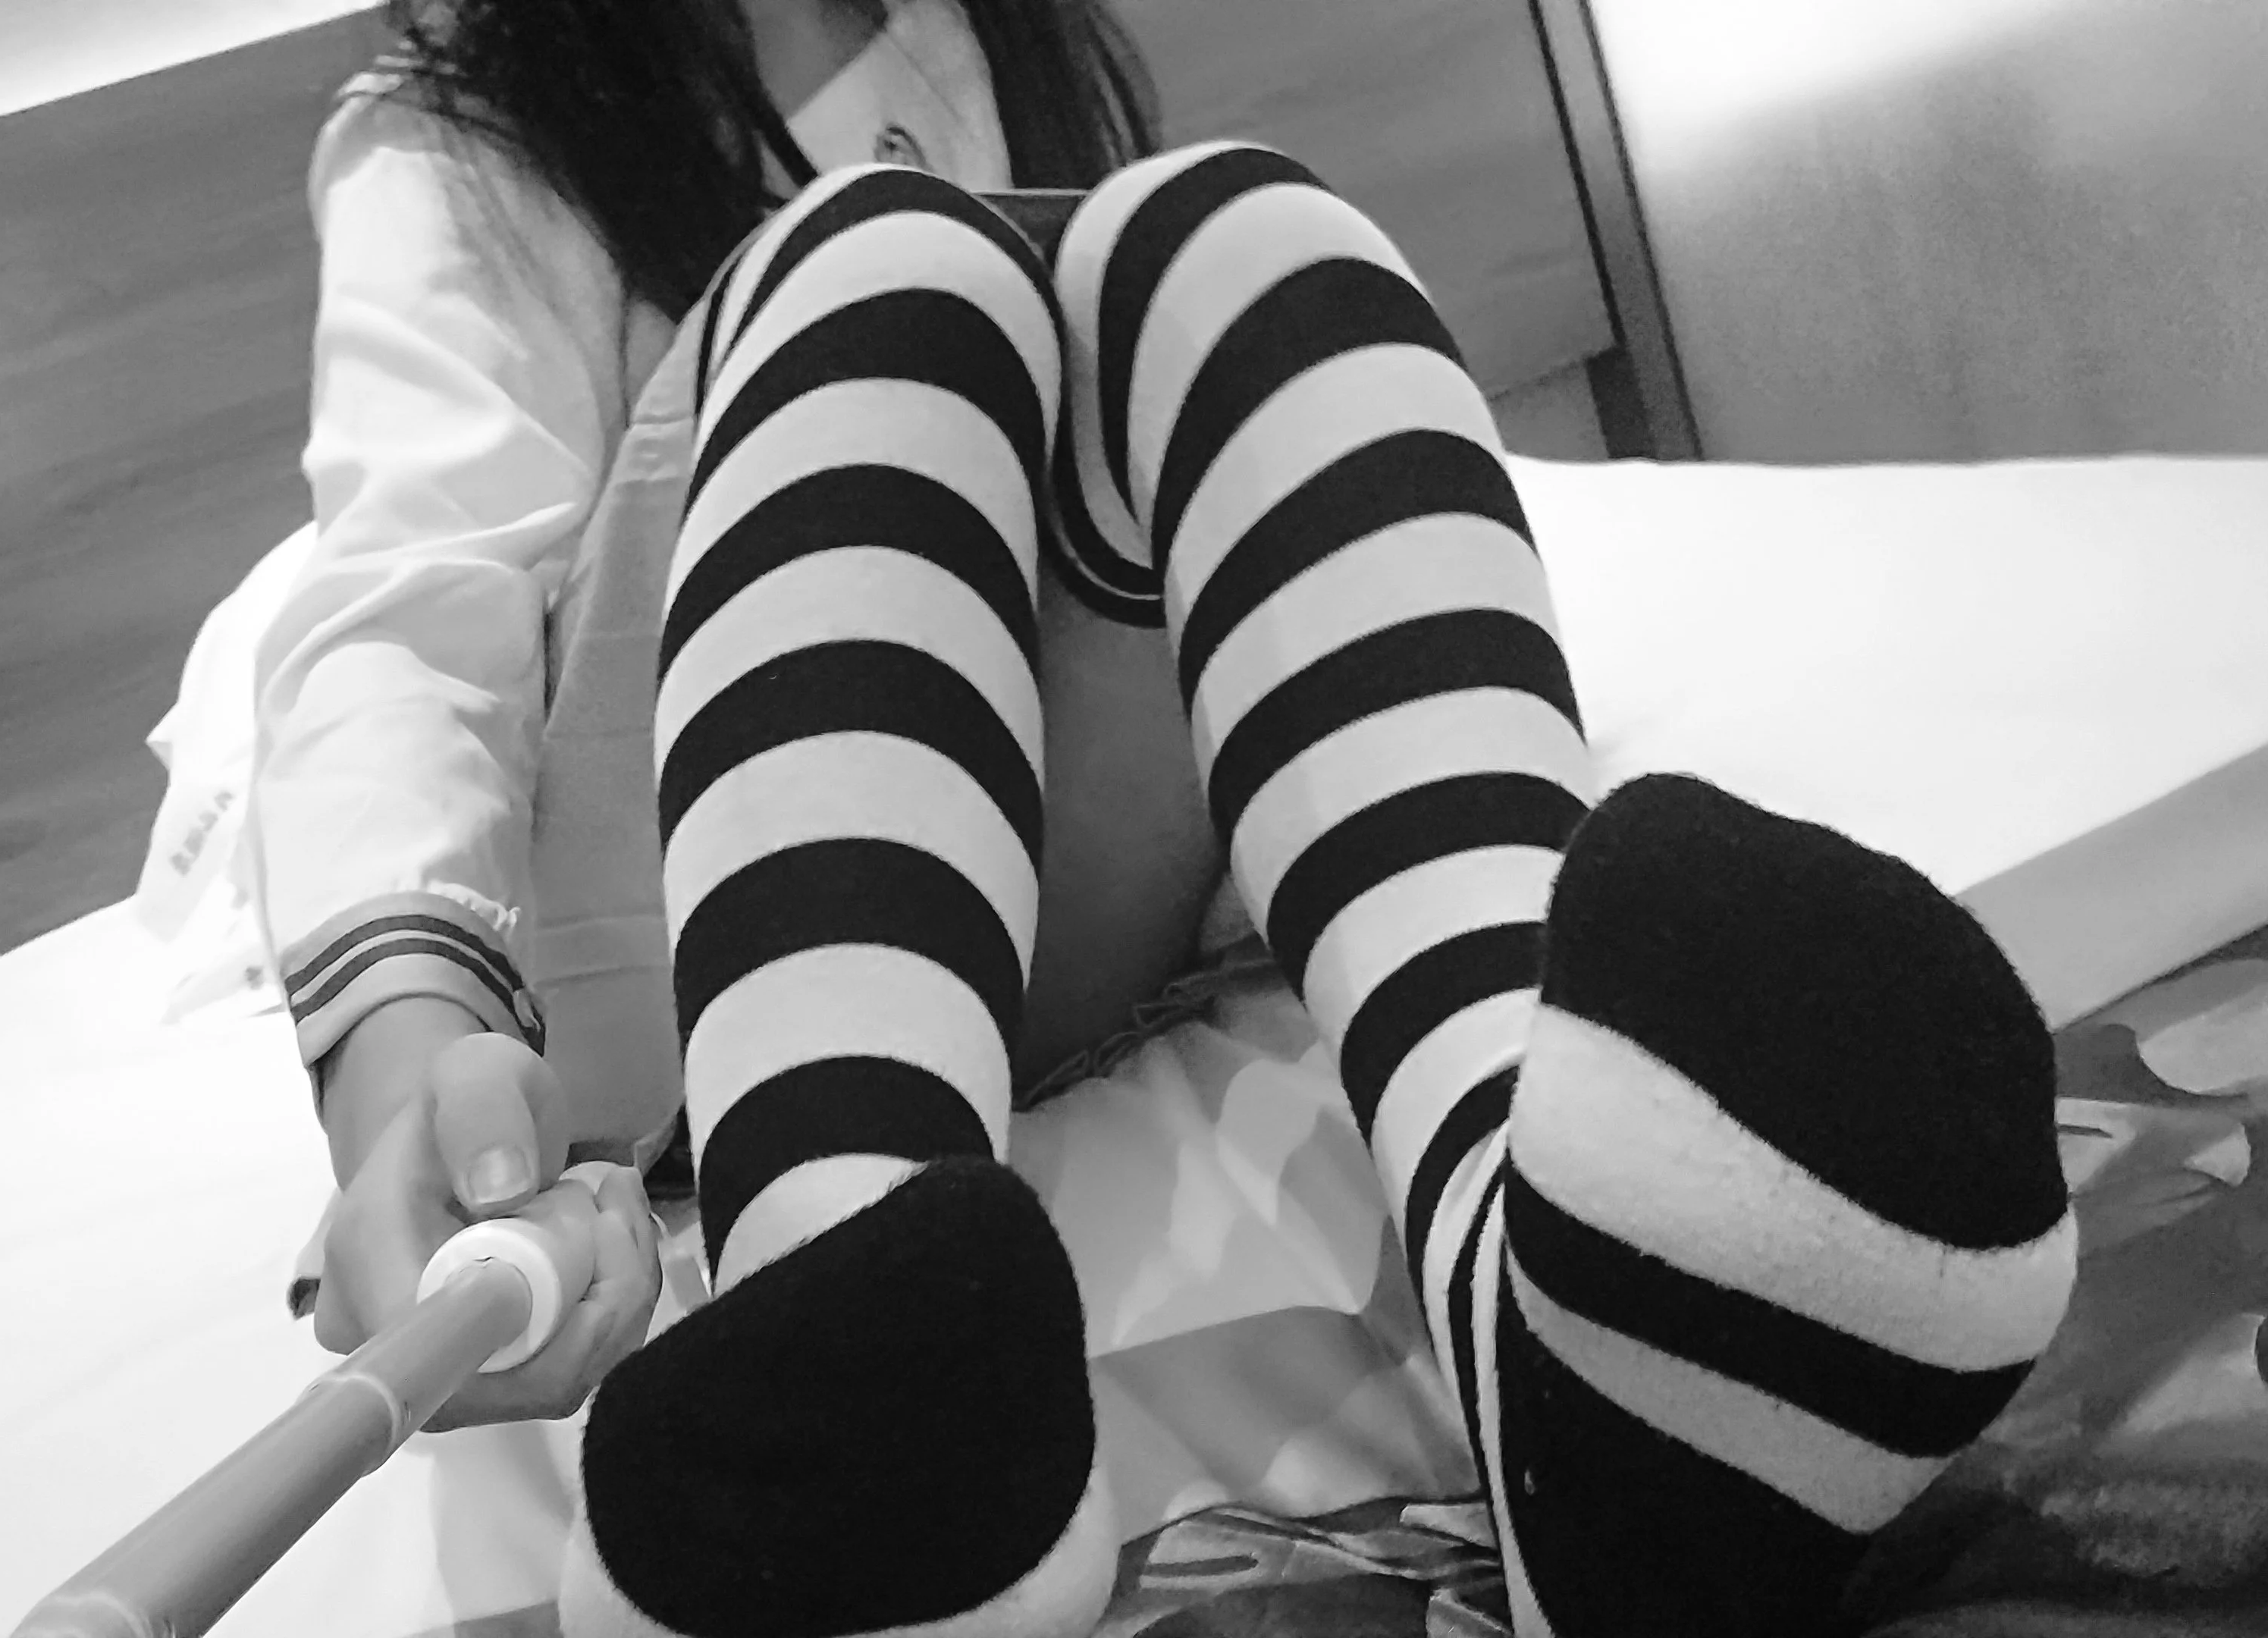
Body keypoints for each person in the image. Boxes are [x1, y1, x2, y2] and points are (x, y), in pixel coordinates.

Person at [249, 4, 2079, 1635]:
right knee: (885, 260)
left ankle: (1565, 1381)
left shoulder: (998, 34)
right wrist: (406, 1064)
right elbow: (404, 620)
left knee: (1246, 244)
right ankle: (850, 1358)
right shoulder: (464, 130)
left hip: (1029, 882)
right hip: (676, 934)